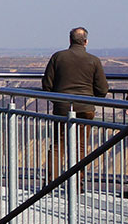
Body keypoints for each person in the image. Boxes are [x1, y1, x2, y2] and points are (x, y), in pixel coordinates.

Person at [40, 27, 107, 178]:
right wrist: (91, 98)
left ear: (70, 40)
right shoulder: (94, 60)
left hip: (62, 108)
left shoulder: (58, 57)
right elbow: (102, 89)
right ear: (86, 42)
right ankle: (78, 182)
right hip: (85, 108)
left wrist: (58, 101)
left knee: (58, 145)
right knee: (81, 147)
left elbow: (47, 84)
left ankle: (52, 182)